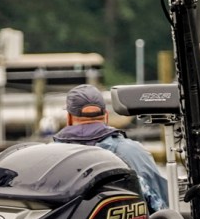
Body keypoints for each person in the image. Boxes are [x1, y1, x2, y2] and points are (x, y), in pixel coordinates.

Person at [53, 84, 169, 212]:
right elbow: (162, 204)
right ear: (106, 116)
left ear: (69, 118)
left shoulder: (52, 155)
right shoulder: (132, 151)